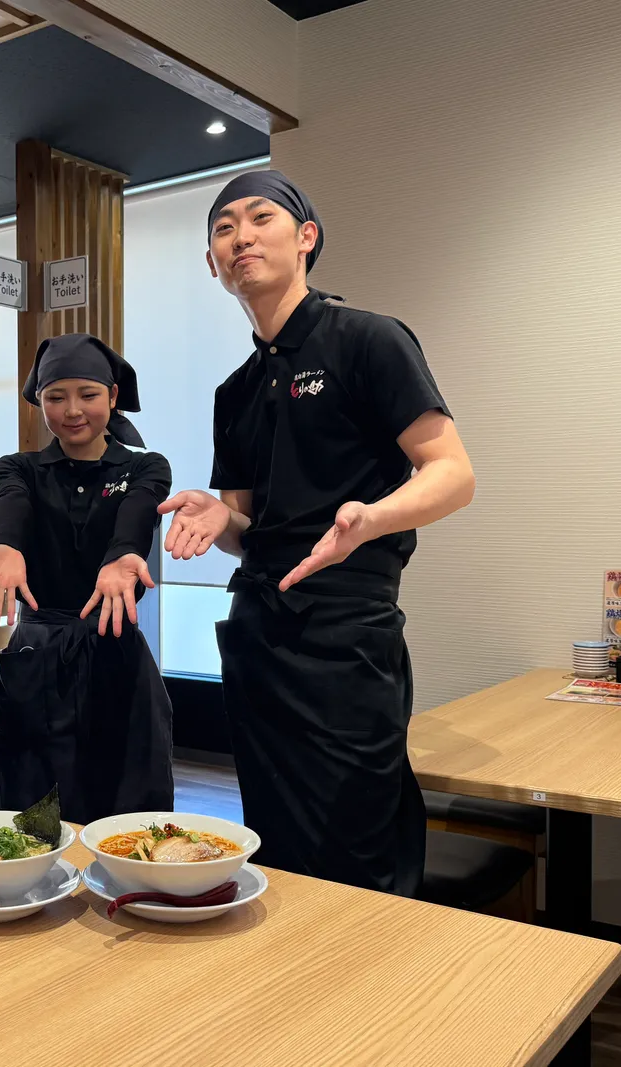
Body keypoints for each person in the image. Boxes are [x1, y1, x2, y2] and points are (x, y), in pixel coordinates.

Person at [159, 171, 476, 896]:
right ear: (213, 263)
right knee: (275, 844)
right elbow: (247, 527)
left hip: (346, 633)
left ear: (306, 238)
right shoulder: (234, 391)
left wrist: (372, 518)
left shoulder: (367, 339)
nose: (239, 235)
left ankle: (373, 999)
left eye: (259, 216)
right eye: (222, 227)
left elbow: (452, 473)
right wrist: (220, 519)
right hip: (258, 635)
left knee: (357, 839)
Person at [0, 334, 174, 823]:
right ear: (40, 402)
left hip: (115, 651)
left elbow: (136, 519)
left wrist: (122, 557)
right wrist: (7, 546)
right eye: (55, 397)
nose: (72, 410)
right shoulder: (17, 468)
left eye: (88, 394)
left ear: (113, 396)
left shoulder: (146, 466)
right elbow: (10, 508)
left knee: (127, 805)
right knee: (33, 808)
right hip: (35, 656)